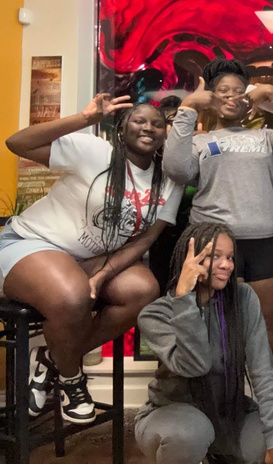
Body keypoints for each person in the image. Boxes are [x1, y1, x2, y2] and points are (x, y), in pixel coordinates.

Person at [162, 58, 273, 444]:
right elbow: (176, 169)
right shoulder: (196, 140)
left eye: (237, 90)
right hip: (211, 244)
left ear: (248, 98)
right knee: (212, 335)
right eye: (222, 91)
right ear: (213, 97)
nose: (230, 96)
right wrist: (189, 106)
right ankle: (211, 425)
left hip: (262, 244)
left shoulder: (267, 139)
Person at [2, 95, 182, 424]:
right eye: (139, 120)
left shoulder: (167, 179)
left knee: (142, 290)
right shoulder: (96, 152)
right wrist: (83, 118)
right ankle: (72, 378)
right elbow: (17, 142)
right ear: (122, 128)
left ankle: (51, 358)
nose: (149, 127)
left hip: (89, 259)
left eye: (157, 124)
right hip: (32, 243)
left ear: (165, 134)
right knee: (72, 296)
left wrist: (101, 277)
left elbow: (146, 239)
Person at [135, 222, 273, 464]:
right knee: (191, 435)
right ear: (188, 261)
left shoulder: (243, 299)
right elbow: (195, 365)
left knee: (270, 438)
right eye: (215, 256)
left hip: (229, 413)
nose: (227, 265)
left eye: (230, 257)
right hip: (173, 413)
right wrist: (184, 299)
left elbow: (263, 372)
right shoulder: (155, 315)